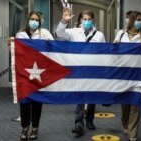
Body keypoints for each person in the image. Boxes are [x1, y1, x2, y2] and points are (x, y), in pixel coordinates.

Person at [56, 8, 105, 137]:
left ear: (93, 21)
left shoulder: (99, 35)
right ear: (80, 20)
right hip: (78, 69)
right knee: (80, 96)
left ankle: (89, 120)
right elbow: (59, 34)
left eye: (89, 19)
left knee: (92, 96)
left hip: (93, 69)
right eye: (85, 19)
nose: (87, 21)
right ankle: (78, 124)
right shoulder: (73, 32)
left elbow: (104, 52)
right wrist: (63, 21)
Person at [13, 11, 54, 140]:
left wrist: (49, 43)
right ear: (28, 20)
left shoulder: (45, 33)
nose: (34, 22)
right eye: (32, 19)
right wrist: (11, 44)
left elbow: (55, 50)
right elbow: (15, 52)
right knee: (24, 102)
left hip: (39, 74)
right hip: (24, 74)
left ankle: (35, 129)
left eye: (37, 20)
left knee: (37, 102)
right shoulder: (20, 34)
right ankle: (24, 128)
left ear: (40, 21)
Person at [113, 11, 141, 141]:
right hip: (123, 73)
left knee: (135, 103)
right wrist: (115, 45)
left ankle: (133, 134)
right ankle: (125, 123)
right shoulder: (121, 33)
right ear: (132, 20)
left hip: (137, 74)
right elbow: (114, 52)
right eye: (137, 19)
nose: (140, 22)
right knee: (126, 102)